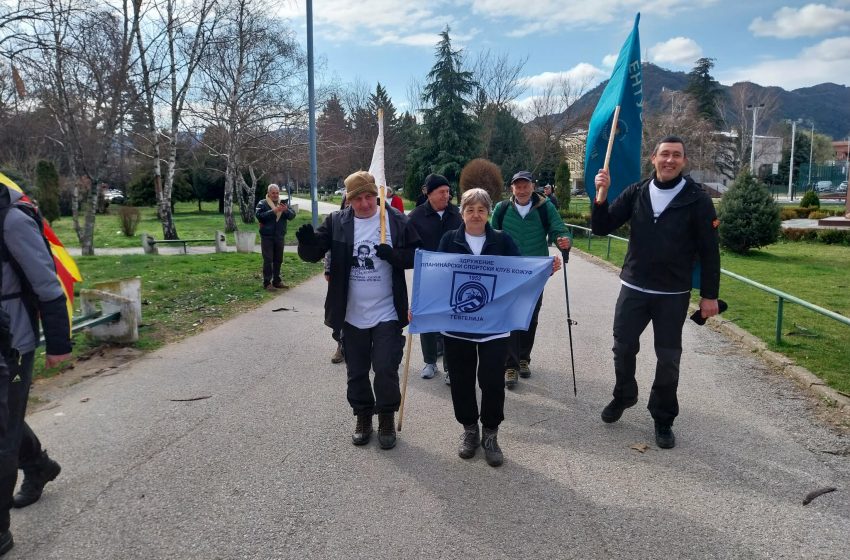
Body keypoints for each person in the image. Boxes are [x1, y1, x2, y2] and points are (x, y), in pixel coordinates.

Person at [591, 135, 720, 449]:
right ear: (654, 158)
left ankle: (663, 418)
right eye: (665, 154)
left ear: (684, 161)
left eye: (676, 155)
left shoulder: (697, 198)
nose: (670, 160)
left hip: (672, 293)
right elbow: (601, 227)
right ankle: (624, 395)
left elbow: (709, 251)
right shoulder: (637, 191)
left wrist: (709, 295)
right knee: (622, 348)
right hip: (634, 286)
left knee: (668, 358)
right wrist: (601, 196)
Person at [296, 170, 421, 450]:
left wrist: (395, 256)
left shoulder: (396, 220)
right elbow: (313, 253)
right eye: (358, 199)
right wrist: (306, 244)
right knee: (357, 370)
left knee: (386, 367)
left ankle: (386, 415)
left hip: (387, 310)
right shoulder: (338, 222)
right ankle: (363, 415)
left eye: (369, 197)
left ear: (377, 195)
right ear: (349, 200)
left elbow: (417, 254)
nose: (365, 204)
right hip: (351, 313)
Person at [436, 188, 560, 467]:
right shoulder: (449, 240)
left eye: (481, 209)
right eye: (470, 209)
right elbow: (435, 276)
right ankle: (469, 429)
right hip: (457, 327)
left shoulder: (503, 241)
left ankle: (491, 433)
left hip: (494, 327)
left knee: (492, 381)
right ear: (462, 213)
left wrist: (544, 268)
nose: (476, 215)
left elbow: (520, 272)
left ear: (489, 212)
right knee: (461, 380)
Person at [0, 184, 73, 556]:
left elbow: (47, 283)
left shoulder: (12, 220)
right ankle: (38, 465)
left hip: (10, 342)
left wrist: (59, 343)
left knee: (2, 433)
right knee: (6, 420)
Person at [491, 170, 572, 389]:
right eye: (518, 185)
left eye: (525, 185)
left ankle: (524, 359)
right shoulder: (502, 208)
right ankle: (511, 365)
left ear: (532, 186)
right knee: (511, 317)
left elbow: (559, 229)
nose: (522, 189)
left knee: (531, 317)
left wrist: (565, 240)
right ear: (512, 188)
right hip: (508, 273)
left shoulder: (545, 207)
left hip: (535, 274)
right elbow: (491, 236)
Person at [407, 173, 462, 383]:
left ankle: (450, 367)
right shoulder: (416, 216)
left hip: (452, 278)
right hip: (427, 278)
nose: (446, 196)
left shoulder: (456, 215)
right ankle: (430, 361)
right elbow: (408, 245)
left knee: (450, 321)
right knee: (427, 319)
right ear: (429, 193)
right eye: (441, 192)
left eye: (448, 192)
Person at [255, 184, 296, 291]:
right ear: (268, 193)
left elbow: (292, 215)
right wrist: (274, 211)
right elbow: (259, 216)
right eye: (273, 193)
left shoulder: (283, 203)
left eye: (277, 193)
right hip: (267, 236)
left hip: (279, 236)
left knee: (278, 259)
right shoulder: (262, 203)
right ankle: (267, 283)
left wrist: (285, 210)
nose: (275, 195)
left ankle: (277, 281)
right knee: (268, 260)